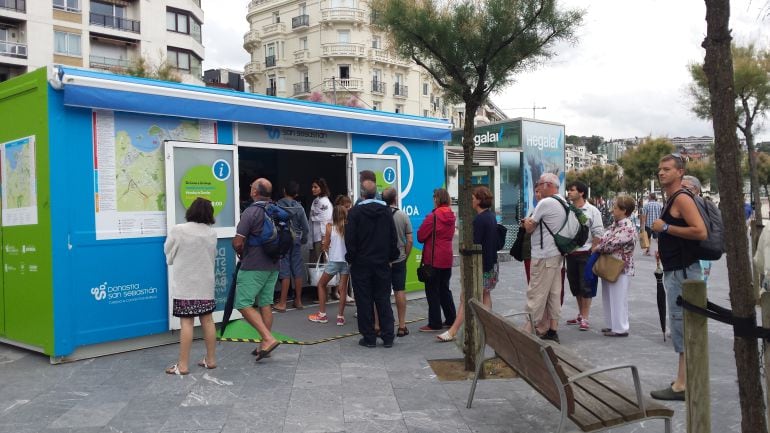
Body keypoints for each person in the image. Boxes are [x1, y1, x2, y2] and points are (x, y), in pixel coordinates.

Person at [650, 154, 707, 401]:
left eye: (667, 169)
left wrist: (665, 228)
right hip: (677, 269)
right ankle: (683, 379)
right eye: (660, 169)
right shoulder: (674, 197)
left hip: (683, 272)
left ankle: (683, 385)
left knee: (682, 325)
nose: (661, 173)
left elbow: (699, 232)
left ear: (680, 172)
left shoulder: (682, 199)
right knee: (682, 325)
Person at [163, 197, 218, 375]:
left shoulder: (179, 230)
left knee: (187, 323)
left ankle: (183, 365)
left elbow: (167, 250)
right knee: (208, 321)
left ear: (191, 211)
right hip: (205, 285)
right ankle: (210, 360)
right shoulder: (211, 233)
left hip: (185, 285)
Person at [437, 186, 498, 342]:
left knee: (466, 297)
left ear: (478, 200)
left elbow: (475, 245)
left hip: (480, 265)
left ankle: (453, 331)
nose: (471, 201)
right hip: (491, 263)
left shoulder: (479, 219)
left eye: (472, 198)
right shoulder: (491, 217)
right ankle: (487, 328)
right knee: (485, 294)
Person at [232, 178, 282, 362]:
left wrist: (240, 253)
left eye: (251, 187)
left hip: (254, 264)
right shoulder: (275, 210)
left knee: (243, 303)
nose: (250, 190)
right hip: (274, 264)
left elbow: (238, 241)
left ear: (255, 192)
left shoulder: (251, 212)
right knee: (265, 303)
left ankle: (268, 339)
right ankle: (264, 344)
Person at [345, 180, 399, 348]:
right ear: (376, 193)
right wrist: (391, 257)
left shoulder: (354, 213)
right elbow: (393, 237)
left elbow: (350, 239)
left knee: (364, 300)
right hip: (382, 263)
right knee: (383, 299)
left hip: (361, 264)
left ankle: (369, 338)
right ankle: (388, 336)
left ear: (361, 194)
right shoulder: (386, 212)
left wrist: (351, 258)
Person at [522, 173, 566, 343]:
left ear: (547, 185)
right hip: (556, 254)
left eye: (539, 184)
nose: (538, 187)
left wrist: (526, 222)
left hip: (543, 255)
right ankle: (553, 330)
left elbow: (529, 228)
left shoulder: (545, 202)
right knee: (554, 293)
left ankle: (527, 331)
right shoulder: (563, 201)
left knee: (536, 293)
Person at [592, 195, 636, 337]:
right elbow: (605, 239)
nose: (612, 210)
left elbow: (611, 243)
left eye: (615, 208)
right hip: (610, 264)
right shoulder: (615, 224)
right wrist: (600, 245)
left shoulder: (628, 227)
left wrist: (598, 247)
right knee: (609, 296)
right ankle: (612, 324)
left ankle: (621, 328)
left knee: (619, 297)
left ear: (624, 211)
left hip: (621, 266)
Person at [564, 181, 604, 331]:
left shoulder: (592, 210)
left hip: (586, 253)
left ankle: (586, 317)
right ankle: (581, 314)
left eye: (572, 190)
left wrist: (593, 249)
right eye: (568, 190)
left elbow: (598, 231)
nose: (569, 192)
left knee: (586, 285)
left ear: (581, 193)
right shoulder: (567, 210)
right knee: (575, 286)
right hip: (571, 252)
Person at [416, 188, 457, 332]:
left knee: (432, 291)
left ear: (437, 199)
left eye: (434, 197)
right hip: (447, 257)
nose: (433, 199)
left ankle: (435, 323)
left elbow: (420, 236)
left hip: (433, 259)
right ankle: (452, 319)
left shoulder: (433, 217)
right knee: (444, 289)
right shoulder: (451, 215)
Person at [308, 205, 351, 326]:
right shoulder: (348, 228)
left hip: (334, 261)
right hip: (346, 262)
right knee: (343, 290)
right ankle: (340, 317)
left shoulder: (330, 228)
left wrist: (325, 245)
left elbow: (325, 246)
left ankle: (322, 314)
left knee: (321, 284)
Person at [274, 181, 310, 312]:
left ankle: (282, 303)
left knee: (285, 270)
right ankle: (298, 301)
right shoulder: (299, 208)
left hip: (282, 240)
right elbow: (306, 227)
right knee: (297, 269)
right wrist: (303, 240)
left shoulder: (277, 205)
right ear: (296, 193)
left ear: (284, 191)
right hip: (296, 240)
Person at [383, 187, 413, 337]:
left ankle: (380, 324)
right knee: (399, 290)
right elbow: (410, 240)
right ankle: (402, 326)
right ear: (395, 198)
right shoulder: (403, 215)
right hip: (399, 259)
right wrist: (405, 256)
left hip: (383, 261)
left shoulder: (380, 215)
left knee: (382, 292)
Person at [682, 175, 712, 286]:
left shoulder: (702, 206)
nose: (682, 191)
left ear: (696, 190)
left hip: (699, 258)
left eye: (685, 188)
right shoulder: (682, 205)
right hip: (682, 259)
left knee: (696, 289)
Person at [309, 177, 333, 264]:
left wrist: (324, 239)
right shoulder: (316, 200)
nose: (313, 189)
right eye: (312, 187)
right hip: (316, 237)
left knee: (325, 264)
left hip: (322, 238)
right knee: (317, 264)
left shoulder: (324, 202)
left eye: (315, 187)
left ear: (322, 188)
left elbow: (325, 221)